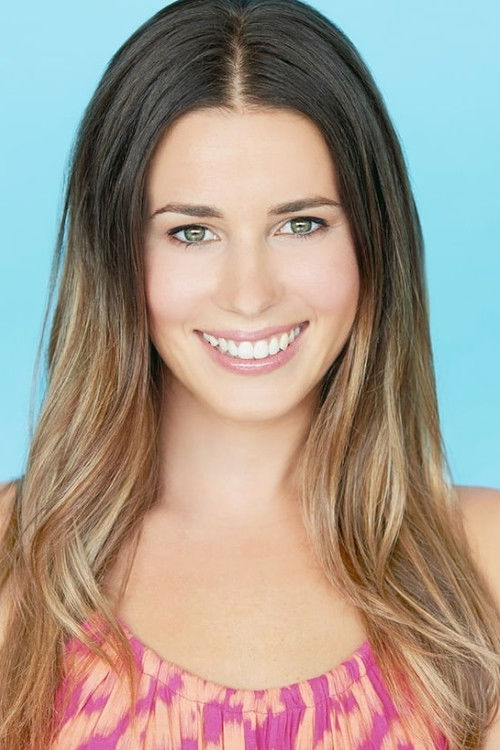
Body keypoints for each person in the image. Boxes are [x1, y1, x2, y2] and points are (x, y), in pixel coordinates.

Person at [0, 0, 499, 747]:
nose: (250, 293)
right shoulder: (15, 561)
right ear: (116, 259)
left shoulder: (484, 567)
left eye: (301, 224)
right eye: (191, 232)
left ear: (372, 240)